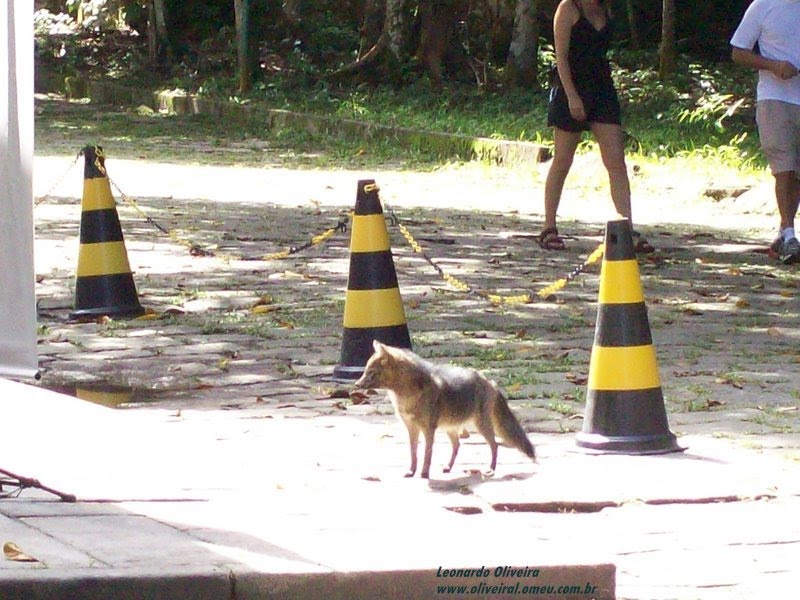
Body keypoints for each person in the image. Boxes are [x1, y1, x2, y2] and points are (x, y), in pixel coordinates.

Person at [539, 0, 653, 253]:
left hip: (601, 88)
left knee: (616, 160)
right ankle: (549, 227)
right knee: (562, 159)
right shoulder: (568, 8)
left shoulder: (607, 8)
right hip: (570, 87)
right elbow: (561, 57)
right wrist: (572, 96)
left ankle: (626, 228)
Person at [730, 0, 800, 265]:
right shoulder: (764, 5)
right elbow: (738, 51)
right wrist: (773, 65)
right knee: (784, 167)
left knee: (796, 170)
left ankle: (785, 233)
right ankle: (789, 231)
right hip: (775, 98)